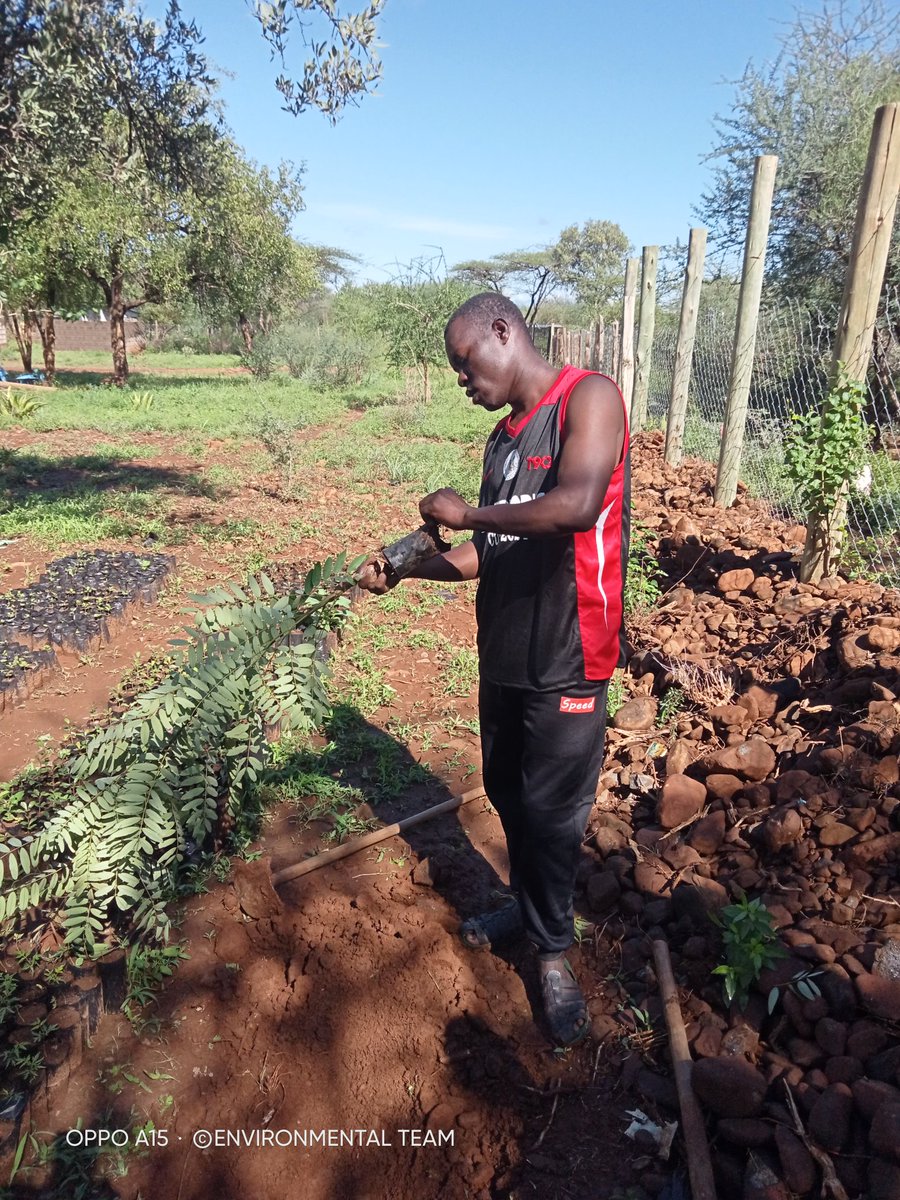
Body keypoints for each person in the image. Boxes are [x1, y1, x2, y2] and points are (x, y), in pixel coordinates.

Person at [358, 292, 630, 1046]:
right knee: (510, 792)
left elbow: (574, 505)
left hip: (572, 650)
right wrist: (413, 570)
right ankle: (526, 906)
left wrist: (467, 514)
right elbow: (491, 553)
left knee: (552, 815)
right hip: (505, 651)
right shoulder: (502, 443)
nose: (460, 380)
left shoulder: (591, 399)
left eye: (464, 362)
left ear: (503, 332)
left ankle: (550, 954)